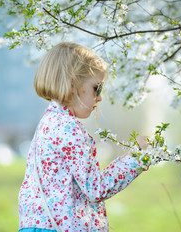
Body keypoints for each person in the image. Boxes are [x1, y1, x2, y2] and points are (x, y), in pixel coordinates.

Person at [18, 42, 148, 232]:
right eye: (97, 88)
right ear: (73, 84)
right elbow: (96, 189)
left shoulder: (49, 122)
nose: (100, 97)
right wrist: (137, 159)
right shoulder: (69, 129)